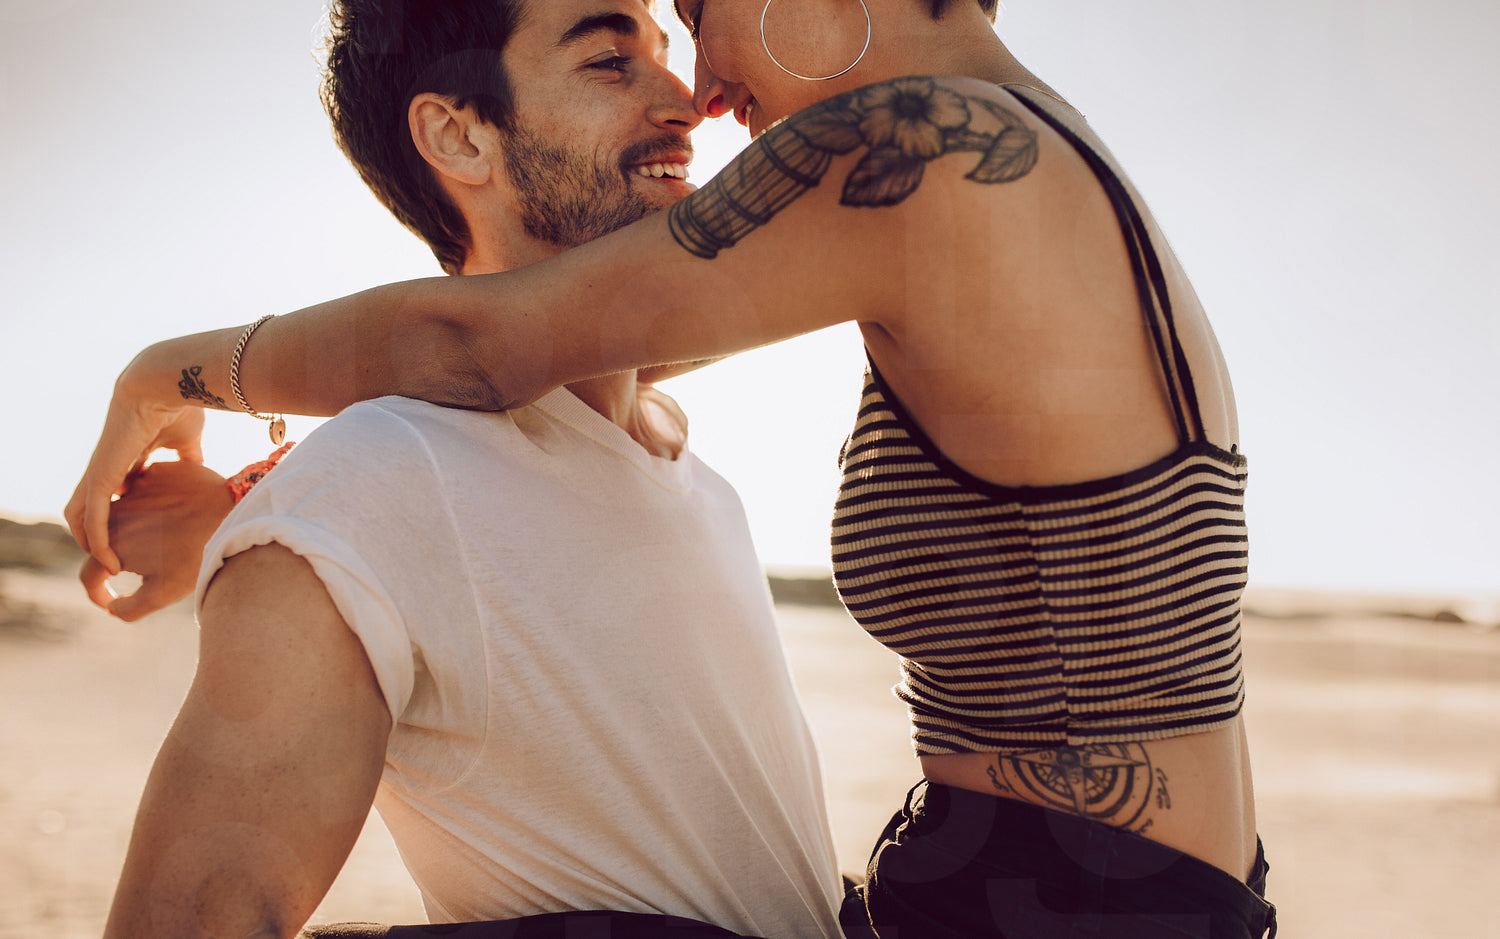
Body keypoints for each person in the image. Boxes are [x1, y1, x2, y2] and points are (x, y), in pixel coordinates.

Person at [68, 0, 1278, 935]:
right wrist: (267, 507)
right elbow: (559, 368)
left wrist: (164, 377)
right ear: (456, 133)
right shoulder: (1027, 155)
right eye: (621, 55)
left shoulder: (927, 152)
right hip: (1094, 895)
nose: (702, 88)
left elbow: (485, 345)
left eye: (697, 12)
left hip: (1070, 907)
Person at [78, 1, 848, 937]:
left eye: (664, 52)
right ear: (458, 135)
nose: (687, 100)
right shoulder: (367, 488)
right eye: (610, 61)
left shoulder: (687, 460)